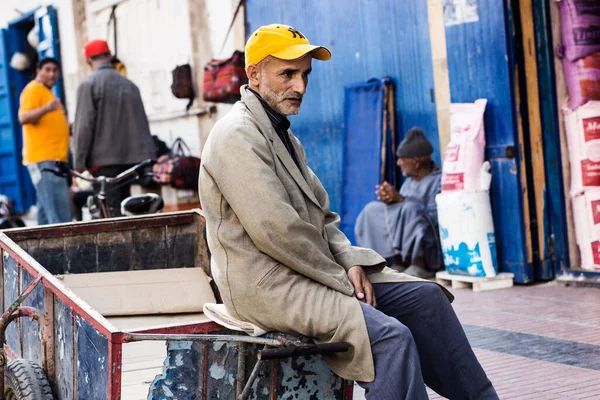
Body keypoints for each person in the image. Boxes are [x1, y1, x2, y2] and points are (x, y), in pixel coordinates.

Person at [199, 24, 498, 399]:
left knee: (427, 300)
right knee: (390, 339)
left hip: (309, 269)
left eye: (305, 74)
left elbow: (322, 216)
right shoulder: (236, 135)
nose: (301, 87)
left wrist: (350, 261)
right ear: (254, 74)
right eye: (288, 74)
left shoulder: (283, 135)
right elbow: (277, 230)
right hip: (268, 284)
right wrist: (342, 278)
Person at [72, 39, 154, 217]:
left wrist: (78, 163)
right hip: (131, 162)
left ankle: (117, 245)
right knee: (126, 208)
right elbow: (142, 124)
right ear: (109, 57)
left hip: (103, 163)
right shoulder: (130, 85)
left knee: (109, 211)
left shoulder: (88, 84)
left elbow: (84, 126)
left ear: (88, 60)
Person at [355, 127, 443, 279]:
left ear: (416, 162)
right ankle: (391, 262)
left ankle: (420, 265)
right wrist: (390, 201)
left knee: (410, 208)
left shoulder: (438, 181)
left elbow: (434, 220)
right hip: (410, 238)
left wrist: (402, 200)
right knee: (373, 209)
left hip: (432, 249)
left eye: (402, 159)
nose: (398, 163)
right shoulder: (409, 183)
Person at [18, 57, 72, 225]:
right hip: (44, 160)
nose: (52, 74)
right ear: (38, 71)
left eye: (55, 70)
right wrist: (47, 108)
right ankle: (61, 249)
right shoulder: (34, 89)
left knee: (46, 207)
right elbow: (23, 117)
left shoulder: (47, 92)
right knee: (57, 209)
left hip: (52, 159)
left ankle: (39, 248)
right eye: (47, 70)